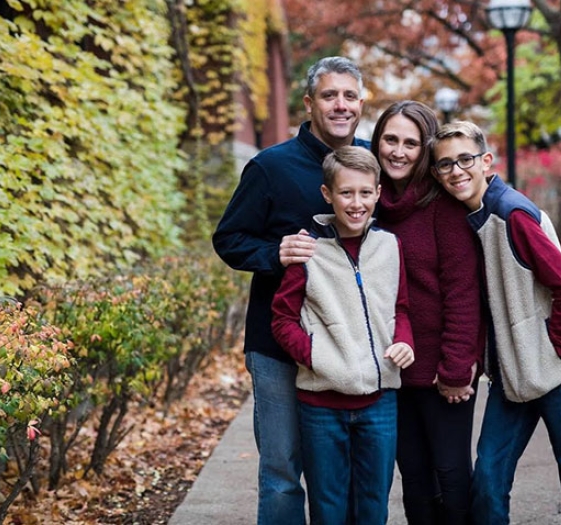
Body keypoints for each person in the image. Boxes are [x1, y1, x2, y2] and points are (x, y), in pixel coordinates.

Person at [431, 120, 561, 525]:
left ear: (486, 161)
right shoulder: (470, 218)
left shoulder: (512, 215)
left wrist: (553, 347)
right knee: (489, 482)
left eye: (465, 159)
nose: (456, 171)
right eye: (445, 165)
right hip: (515, 379)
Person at [212, 56, 368, 525]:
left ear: (361, 103)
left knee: (340, 473)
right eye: (329, 95)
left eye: (349, 96)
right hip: (277, 347)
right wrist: (273, 253)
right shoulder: (269, 167)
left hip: (348, 347)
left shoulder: (368, 164)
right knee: (281, 470)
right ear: (309, 103)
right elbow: (229, 239)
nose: (340, 105)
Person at [271, 146, 415, 525]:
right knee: (328, 508)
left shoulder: (390, 246)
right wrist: (318, 357)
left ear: (378, 194)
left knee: (374, 506)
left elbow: (400, 308)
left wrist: (404, 341)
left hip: (380, 401)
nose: (356, 203)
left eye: (365, 193)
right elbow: (282, 320)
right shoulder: (307, 250)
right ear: (327, 195)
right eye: (346, 193)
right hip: (320, 405)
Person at [371, 101, 484, 524]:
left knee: (452, 478)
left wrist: (456, 369)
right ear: (377, 141)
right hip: (393, 370)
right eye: (391, 140)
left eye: (412, 144)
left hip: (441, 372)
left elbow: (462, 292)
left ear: (426, 151)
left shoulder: (443, 207)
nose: (399, 151)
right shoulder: (372, 203)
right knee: (414, 481)